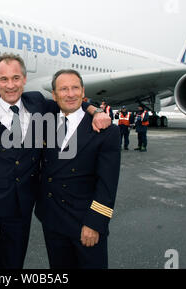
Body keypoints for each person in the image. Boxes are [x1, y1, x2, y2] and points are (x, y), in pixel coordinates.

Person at [0, 53, 111, 269]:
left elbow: (69, 101)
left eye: (16, 78)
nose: (10, 85)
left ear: (24, 79)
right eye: (4, 79)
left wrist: (96, 110)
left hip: (20, 210)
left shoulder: (38, 104)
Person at [34, 69, 121, 269]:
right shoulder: (45, 122)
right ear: (54, 95)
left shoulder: (106, 132)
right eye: (63, 89)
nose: (70, 94)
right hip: (52, 221)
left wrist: (95, 223)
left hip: (85, 223)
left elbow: (107, 184)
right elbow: (16, 97)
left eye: (75, 88)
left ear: (83, 92)